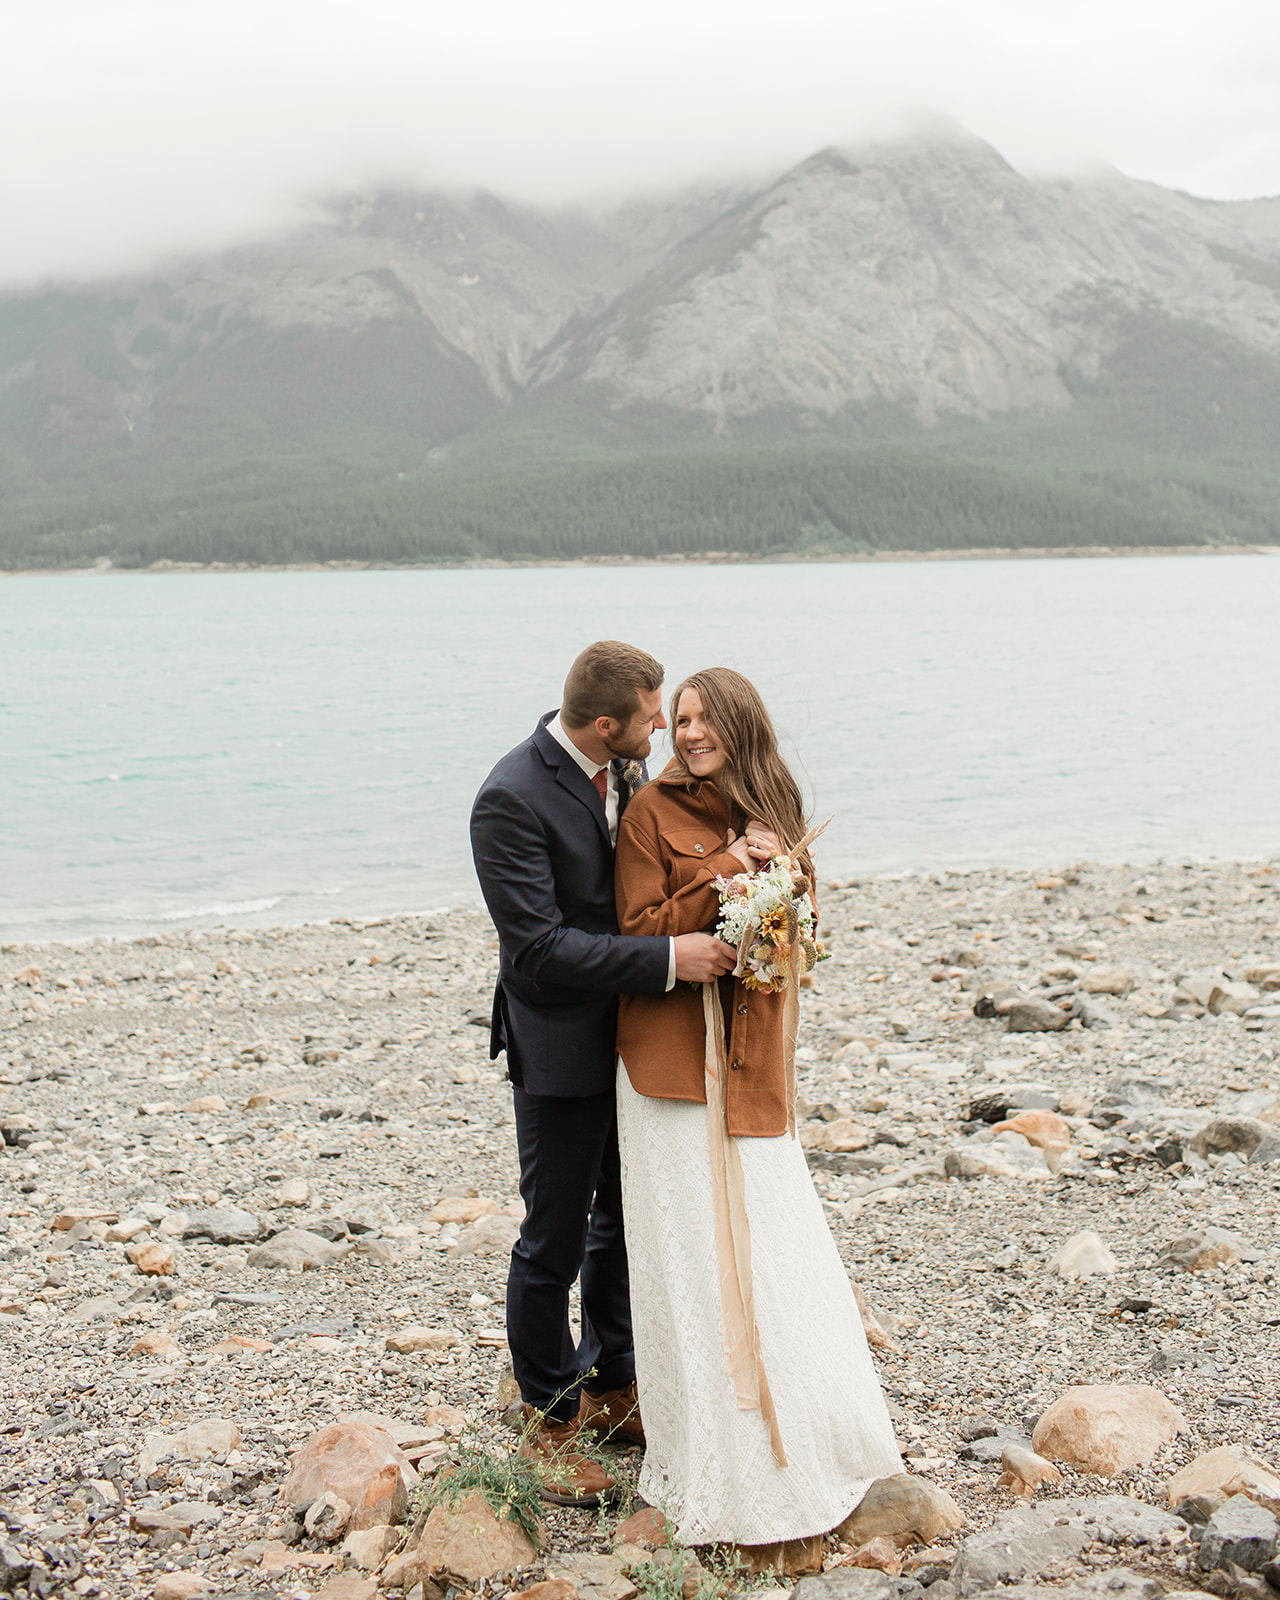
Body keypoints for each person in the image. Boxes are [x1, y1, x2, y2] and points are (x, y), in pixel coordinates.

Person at [613, 666, 902, 1555]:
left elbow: (803, 935)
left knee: (779, 1244)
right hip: (668, 1067)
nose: (686, 733)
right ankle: (710, 1458)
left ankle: (809, 1443)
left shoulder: (778, 804)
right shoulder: (647, 815)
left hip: (750, 1062)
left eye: (702, 719)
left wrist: (784, 903)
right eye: (679, 720)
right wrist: (728, 877)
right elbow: (632, 934)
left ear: (739, 725)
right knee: (693, 1260)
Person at [469, 641, 738, 1508]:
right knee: (551, 1235)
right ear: (603, 723)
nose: (663, 728)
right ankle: (548, 1422)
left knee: (622, 1216)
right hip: (557, 1046)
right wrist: (668, 958)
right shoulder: (508, 798)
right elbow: (540, 950)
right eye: (653, 716)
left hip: (634, 1035)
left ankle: (614, 1382)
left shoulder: (625, 773)